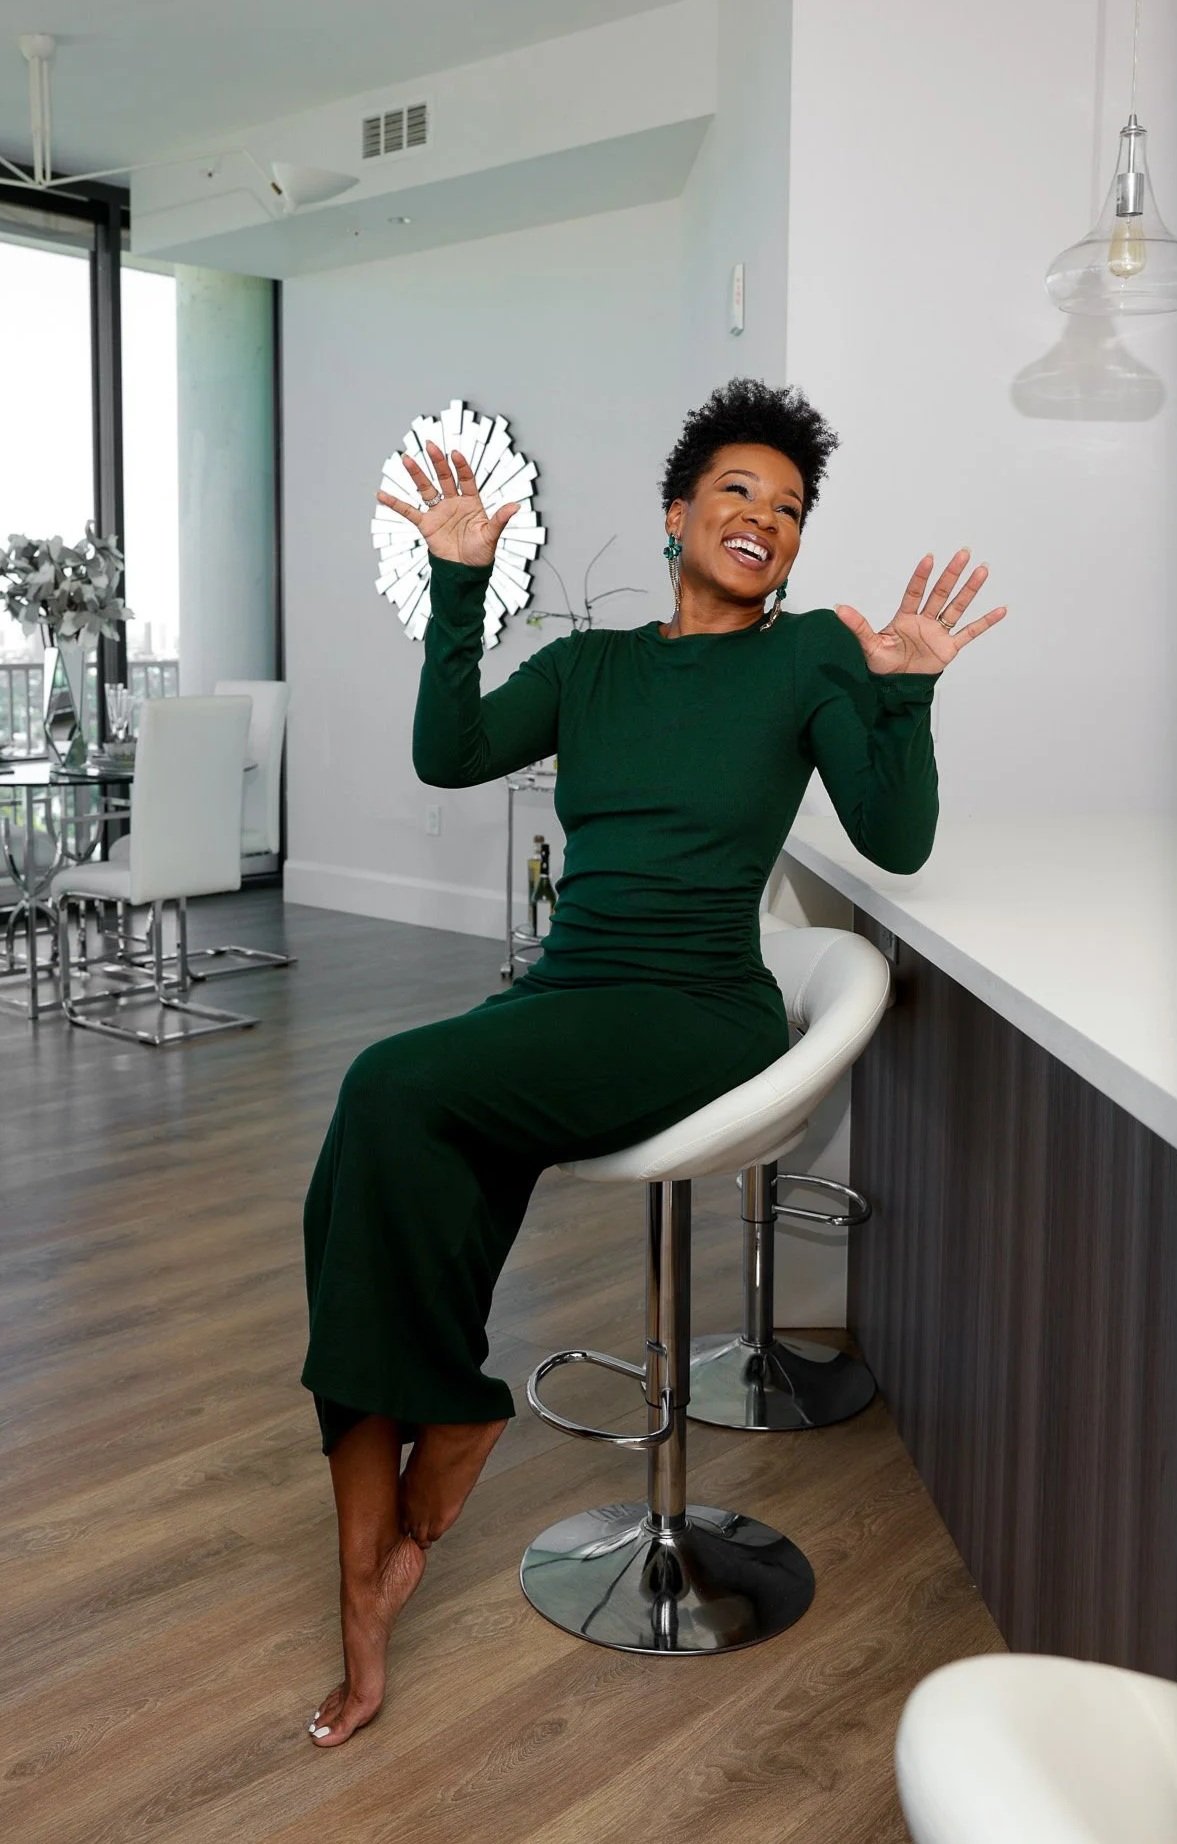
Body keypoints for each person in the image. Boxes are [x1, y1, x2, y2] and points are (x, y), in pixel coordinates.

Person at [300, 377, 1008, 1746]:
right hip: (573, 992)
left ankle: (427, 1458)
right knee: (395, 1140)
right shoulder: (589, 670)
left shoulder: (804, 656)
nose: (765, 521)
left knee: (390, 1085)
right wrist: (461, 584)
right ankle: (391, 1515)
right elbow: (447, 754)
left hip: (696, 1007)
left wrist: (903, 692)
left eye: (790, 510)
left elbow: (895, 836)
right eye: (738, 493)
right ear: (676, 515)